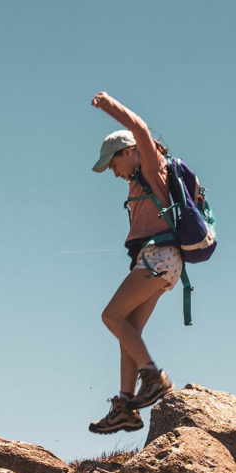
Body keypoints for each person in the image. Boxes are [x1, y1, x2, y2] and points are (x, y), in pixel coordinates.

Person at [87, 91, 178, 434]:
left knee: (110, 316)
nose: (113, 173)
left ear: (129, 152)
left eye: (113, 164)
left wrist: (108, 105)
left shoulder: (152, 167)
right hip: (163, 261)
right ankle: (126, 406)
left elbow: (139, 128)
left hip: (158, 257)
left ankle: (153, 377)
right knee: (128, 330)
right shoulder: (139, 180)